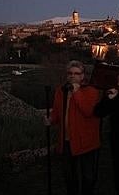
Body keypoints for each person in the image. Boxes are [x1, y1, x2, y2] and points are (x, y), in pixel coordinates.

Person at [46, 60, 100, 195]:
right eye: (70, 73)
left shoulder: (91, 91)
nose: (72, 76)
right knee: (69, 176)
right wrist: (51, 119)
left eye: (76, 73)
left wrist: (77, 93)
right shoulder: (61, 91)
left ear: (82, 76)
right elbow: (57, 112)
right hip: (67, 141)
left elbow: (88, 111)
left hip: (86, 142)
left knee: (87, 176)